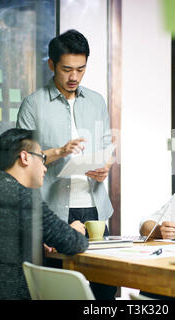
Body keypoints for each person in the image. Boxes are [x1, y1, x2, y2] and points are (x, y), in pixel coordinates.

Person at [16, 29, 116, 299]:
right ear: (51, 65)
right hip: (55, 213)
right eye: (66, 69)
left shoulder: (96, 101)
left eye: (81, 69)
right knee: (62, 291)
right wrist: (60, 151)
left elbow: (106, 147)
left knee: (103, 291)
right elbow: (20, 165)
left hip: (95, 210)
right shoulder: (33, 104)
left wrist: (105, 166)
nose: (74, 77)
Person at [0, 128, 88, 300]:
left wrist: (34, 240)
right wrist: (76, 230)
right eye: (42, 158)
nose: (44, 167)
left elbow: (1, 239)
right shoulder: (22, 196)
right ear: (25, 157)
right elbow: (73, 243)